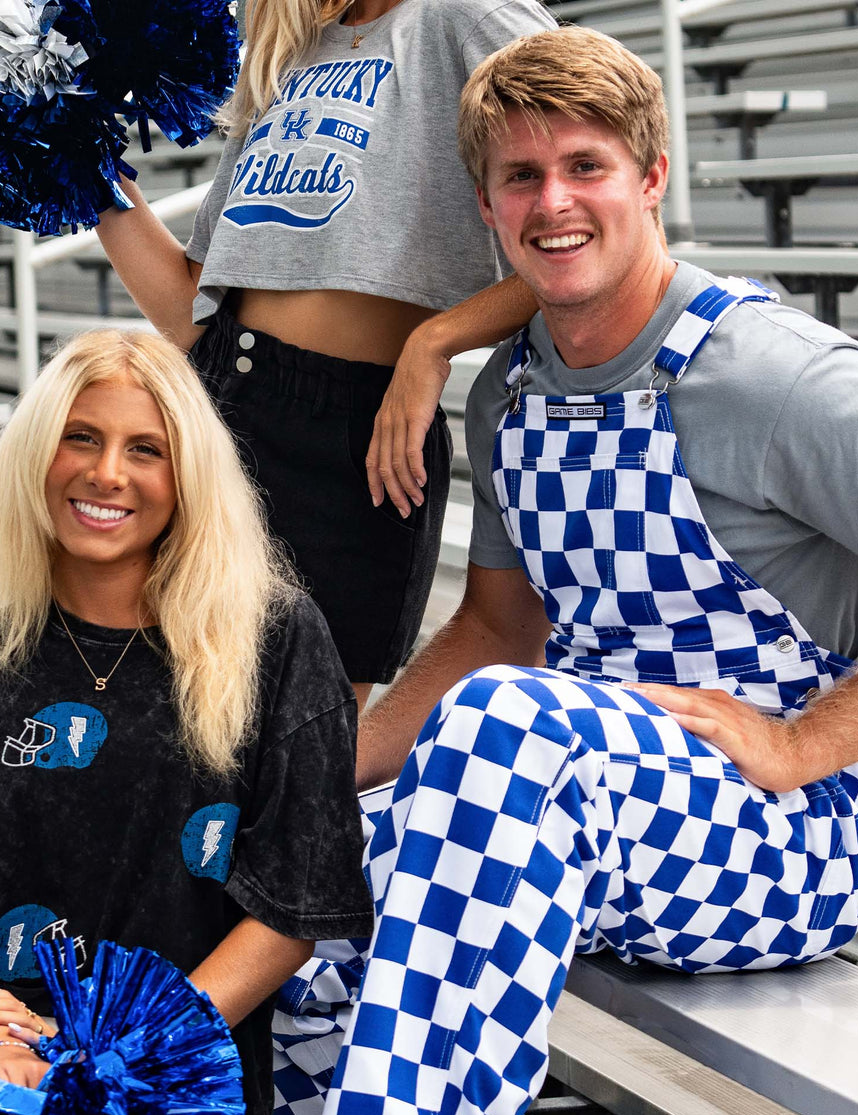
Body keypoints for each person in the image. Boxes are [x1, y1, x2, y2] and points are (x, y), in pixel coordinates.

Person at [266, 26, 858, 1115]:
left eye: (586, 167)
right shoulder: (509, 389)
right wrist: (315, 778)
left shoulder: (778, 376)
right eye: (522, 177)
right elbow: (495, 633)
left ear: (651, 176)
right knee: (311, 864)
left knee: (509, 728)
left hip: (786, 839)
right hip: (576, 815)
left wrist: (804, 745)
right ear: (488, 207)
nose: (554, 201)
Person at [0, 330, 373, 1115]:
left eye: (144, 449)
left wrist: (136, 1048)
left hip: (182, 1098)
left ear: (186, 477)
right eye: (81, 437)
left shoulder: (276, 640)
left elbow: (295, 904)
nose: (107, 473)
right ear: (35, 457)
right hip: (11, 1092)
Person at [93, 0, 556, 708]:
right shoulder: (286, 54)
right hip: (211, 405)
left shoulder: (469, 16)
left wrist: (433, 343)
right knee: (158, 734)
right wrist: (81, 168)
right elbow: (193, 310)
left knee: (299, 753)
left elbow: (599, 218)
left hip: (357, 441)